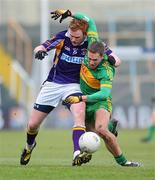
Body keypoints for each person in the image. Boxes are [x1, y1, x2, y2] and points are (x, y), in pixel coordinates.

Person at [20, 10, 120, 166]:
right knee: (33, 125)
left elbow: (115, 57)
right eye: (71, 36)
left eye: (77, 37)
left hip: (74, 86)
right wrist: (39, 51)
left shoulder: (93, 43)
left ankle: (77, 154)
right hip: (53, 84)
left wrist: (113, 59)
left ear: (85, 34)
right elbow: (41, 46)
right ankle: (29, 146)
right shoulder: (63, 37)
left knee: (79, 115)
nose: (73, 39)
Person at [65, 41, 141, 167]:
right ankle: (111, 127)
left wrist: (81, 98)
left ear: (102, 56)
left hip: (100, 102)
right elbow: (91, 25)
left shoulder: (106, 70)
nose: (91, 62)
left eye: (95, 60)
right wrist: (77, 19)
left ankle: (124, 162)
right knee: (89, 132)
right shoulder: (88, 54)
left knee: (102, 131)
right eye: (89, 58)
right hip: (85, 103)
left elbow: (104, 94)